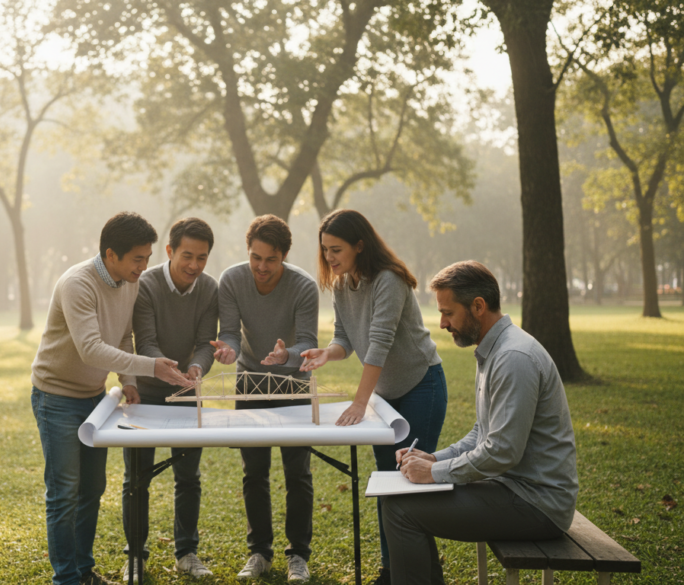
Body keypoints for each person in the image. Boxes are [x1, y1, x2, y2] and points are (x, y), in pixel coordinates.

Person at [384, 260, 578, 585]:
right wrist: (434, 458)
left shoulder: (513, 358)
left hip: (538, 504)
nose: (442, 323)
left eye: (448, 313)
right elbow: (482, 434)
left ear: (478, 306)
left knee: (401, 511)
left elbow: (502, 452)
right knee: (399, 503)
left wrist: (433, 473)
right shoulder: (493, 350)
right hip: (514, 488)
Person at [31, 212, 192, 585]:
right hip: (55, 397)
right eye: (137, 258)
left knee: (91, 489)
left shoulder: (128, 282)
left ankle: (84, 571)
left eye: (148, 257)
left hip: (94, 399)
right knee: (64, 492)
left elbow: (121, 336)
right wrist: (152, 366)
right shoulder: (77, 284)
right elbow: (90, 349)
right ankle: (67, 579)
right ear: (110, 255)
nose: (144, 266)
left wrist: (129, 378)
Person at [298, 209, 447, 585]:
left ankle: (417, 576)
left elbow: (378, 344)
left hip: (421, 386)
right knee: (388, 485)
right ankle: (392, 571)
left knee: (412, 485)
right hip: (386, 396)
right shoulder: (342, 284)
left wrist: (360, 403)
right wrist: (326, 353)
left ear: (359, 245)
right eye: (325, 250)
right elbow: (345, 339)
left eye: (336, 249)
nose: (329, 258)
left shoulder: (389, 280)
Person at [212, 214, 319, 582]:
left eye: (270, 260)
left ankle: (298, 556)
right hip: (250, 383)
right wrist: (227, 351)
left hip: (293, 384)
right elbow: (228, 332)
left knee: (297, 473)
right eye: (256, 257)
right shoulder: (232, 279)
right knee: (254, 471)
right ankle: (260, 552)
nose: (261, 266)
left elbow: (308, 342)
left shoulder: (304, 287)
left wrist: (286, 354)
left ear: (284, 257)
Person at [120, 218, 219, 581]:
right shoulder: (145, 284)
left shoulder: (210, 289)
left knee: (188, 477)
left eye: (203, 258)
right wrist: (168, 370)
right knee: (136, 480)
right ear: (170, 252)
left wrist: (195, 369)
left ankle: (187, 552)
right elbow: (144, 341)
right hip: (144, 394)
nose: (195, 265)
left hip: (186, 394)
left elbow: (207, 342)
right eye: (187, 256)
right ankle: (135, 556)